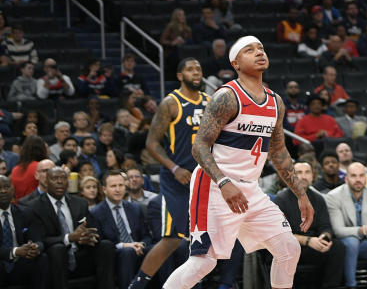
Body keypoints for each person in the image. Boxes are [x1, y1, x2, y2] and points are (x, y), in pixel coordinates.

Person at [160, 36, 312, 289]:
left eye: (261, 48)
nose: (259, 52)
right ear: (236, 63)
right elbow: (199, 146)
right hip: (214, 185)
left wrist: (301, 194)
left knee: (289, 248)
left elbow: (279, 152)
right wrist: (223, 181)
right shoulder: (227, 96)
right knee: (203, 262)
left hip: (250, 188)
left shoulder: (275, 102)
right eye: (249, 50)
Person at [126, 58, 211, 289]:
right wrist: (174, 168)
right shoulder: (171, 103)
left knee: (195, 238)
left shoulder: (209, 102)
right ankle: (138, 285)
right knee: (173, 239)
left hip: (202, 179)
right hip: (177, 179)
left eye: (199, 69)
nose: (196, 72)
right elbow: (152, 143)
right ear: (180, 75)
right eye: (190, 69)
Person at [26, 166, 115, 289]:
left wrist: (88, 236)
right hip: (55, 257)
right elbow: (40, 239)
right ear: (46, 182)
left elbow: (94, 229)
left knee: (106, 245)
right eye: (54, 178)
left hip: (80, 252)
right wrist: (69, 238)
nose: (60, 181)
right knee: (58, 249)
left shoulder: (80, 203)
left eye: (63, 178)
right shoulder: (34, 206)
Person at [271, 160, 345, 288]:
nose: (303, 176)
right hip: (290, 246)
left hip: (313, 246)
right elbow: (280, 235)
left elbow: (325, 226)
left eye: (307, 172)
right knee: (286, 249)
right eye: (299, 172)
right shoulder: (281, 200)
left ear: (313, 176)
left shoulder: (318, 199)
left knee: (338, 247)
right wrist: (308, 240)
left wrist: (324, 237)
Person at [323, 162, 367, 289]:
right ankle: (351, 285)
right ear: (346, 178)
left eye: (361, 176)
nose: (358, 180)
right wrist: (363, 230)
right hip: (346, 246)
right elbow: (338, 230)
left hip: (366, 245)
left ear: (365, 178)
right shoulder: (333, 197)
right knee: (352, 241)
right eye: (353, 176)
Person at [91, 170, 152, 289]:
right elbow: (101, 244)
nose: (118, 189)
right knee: (127, 252)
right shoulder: (96, 212)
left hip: (139, 248)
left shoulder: (135, 208)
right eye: (113, 186)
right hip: (116, 252)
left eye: (121, 185)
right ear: (104, 189)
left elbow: (146, 235)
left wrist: (141, 244)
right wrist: (125, 245)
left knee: (156, 249)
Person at [0, 173, 47, 289]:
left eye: (7, 187)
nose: (3, 191)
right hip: (2, 262)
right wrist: (15, 251)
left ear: (13, 189)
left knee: (42, 258)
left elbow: (38, 239)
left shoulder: (25, 213)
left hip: (20, 263)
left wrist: (34, 248)